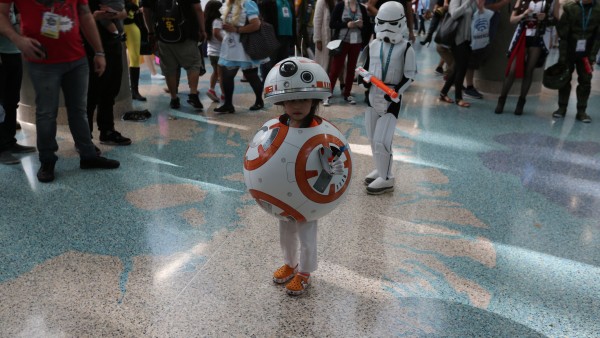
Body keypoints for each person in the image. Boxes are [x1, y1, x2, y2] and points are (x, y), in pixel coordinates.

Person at [0, 0, 120, 183]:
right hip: (42, 61)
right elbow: (1, 14)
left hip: (76, 58)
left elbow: (85, 13)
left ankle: (88, 155)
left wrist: (99, 51)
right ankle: (47, 160)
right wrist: (18, 39)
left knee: (79, 110)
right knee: (46, 113)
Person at [262, 56, 344, 296]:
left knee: (307, 233)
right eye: (291, 100)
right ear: (282, 103)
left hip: (308, 196)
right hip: (282, 194)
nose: (297, 105)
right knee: (286, 230)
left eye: (303, 99)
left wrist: (328, 166)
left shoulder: (321, 132)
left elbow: (336, 165)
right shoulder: (277, 128)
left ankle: (305, 271)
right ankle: (290, 263)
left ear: (314, 101)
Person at [359, 1, 415, 194]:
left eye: (391, 23)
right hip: (373, 95)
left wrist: (396, 92)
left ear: (400, 23)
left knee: (383, 140)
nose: (386, 28)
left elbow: (409, 75)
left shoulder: (406, 48)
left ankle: (387, 178)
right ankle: (381, 170)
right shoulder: (373, 45)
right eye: (382, 22)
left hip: (391, 98)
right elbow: (364, 68)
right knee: (373, 137)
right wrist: (364, 80)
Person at [141, 0, 206, 110]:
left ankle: (174, 98)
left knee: (169, 68)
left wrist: (150, 32)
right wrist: (203, 30)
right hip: (187, 34)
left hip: (163, 35)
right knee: (193, 64)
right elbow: (198, 9)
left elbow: (145, 11)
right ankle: (193, 94)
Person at [495, 0, 556, 115]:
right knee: (512, 70)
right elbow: (512, 20)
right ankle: (502, 100)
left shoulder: (550, 2)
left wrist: (546, 18)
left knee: (529, 70)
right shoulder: (521, 0)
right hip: (522, 36)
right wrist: (524, 14)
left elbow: (556, 20)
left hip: (538, 38)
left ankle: (521, 102)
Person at [86, 0, 133, 146]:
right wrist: (95, 17)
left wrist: (120, 14)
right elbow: (79, 19)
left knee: (110, 89)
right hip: (92, 46)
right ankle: (85, 138)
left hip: (113, 44)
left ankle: (107, 130)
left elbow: (127, 10)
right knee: (91, 93)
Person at [214, 0, 268, 114]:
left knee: (251, 75)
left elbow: (256, 24)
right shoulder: (228, 4)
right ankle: (228, 104)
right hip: (229, 46)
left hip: (245, 46)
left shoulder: (247, 3)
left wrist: (236, 29)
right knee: (226, 76)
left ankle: (259, 100)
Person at [551, 0, 600, 123]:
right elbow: (563, 35)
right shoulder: (570, 8)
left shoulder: (598, 9)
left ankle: (581, 111)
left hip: (587, 53)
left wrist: (592, 56)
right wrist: (562, 57)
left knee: (585, 81)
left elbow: (598, 36)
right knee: (564, 79)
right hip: (569, 50)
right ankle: (561, 108)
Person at [0, 4, 36, 165]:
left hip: (13, 52)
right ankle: (1, 149)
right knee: (0, 105)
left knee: (11, 100)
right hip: (1, 54)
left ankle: (9, 142)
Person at [327, 0, 372, 105]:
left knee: (351, 69)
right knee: (335, 69)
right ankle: (328, 94)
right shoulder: (340, 6)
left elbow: (368, 27)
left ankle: (347, 93)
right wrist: (346, 24)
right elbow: (332, 24)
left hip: (356, 42)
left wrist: (361, 26)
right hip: (342, 42)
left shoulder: (361, 8)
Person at [462, 0, 510, 99]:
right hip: (481, 28)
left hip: (486, 28)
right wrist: (504, 2)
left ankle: (458, 80)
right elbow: (485, 6)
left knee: (477, 55)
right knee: (473, 57)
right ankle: (468, 86)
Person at [438, 0, 476, 108]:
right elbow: (454, 14)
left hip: (467, 39)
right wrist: (467, 3)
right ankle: (458, 98)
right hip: (457, 40)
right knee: (461, 68)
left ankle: (443, 93)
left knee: (457, 68)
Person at [259, 0, 297, 80]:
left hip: (286, 37)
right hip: (273, 37)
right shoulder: (269, 2)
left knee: (283, 64)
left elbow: (293, 20)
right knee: (270, 64)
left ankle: (279, 84)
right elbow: (261, 7)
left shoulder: (289, 2)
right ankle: (267, 83)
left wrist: (294, 39)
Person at [124, 0, 148, 101]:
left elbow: (137, 7)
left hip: (131, 25)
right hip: (115, 25)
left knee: (134, 58)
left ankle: (135, 91)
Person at [205, 0, 225, 103]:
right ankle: (224, 94)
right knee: (221, 75)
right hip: (218, 52)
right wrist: (225, 42)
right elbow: (216, 33)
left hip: (211, 52)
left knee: (216, 73)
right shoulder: (217, 20)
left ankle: (212, 89)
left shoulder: (208, 20)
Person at [313, 0, 335, 72]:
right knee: (323, 62)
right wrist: (318, 39)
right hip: (323, 38)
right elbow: (317, 21)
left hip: (333, 37)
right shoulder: (321, 2)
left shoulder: (334, 2)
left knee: (331, 63)